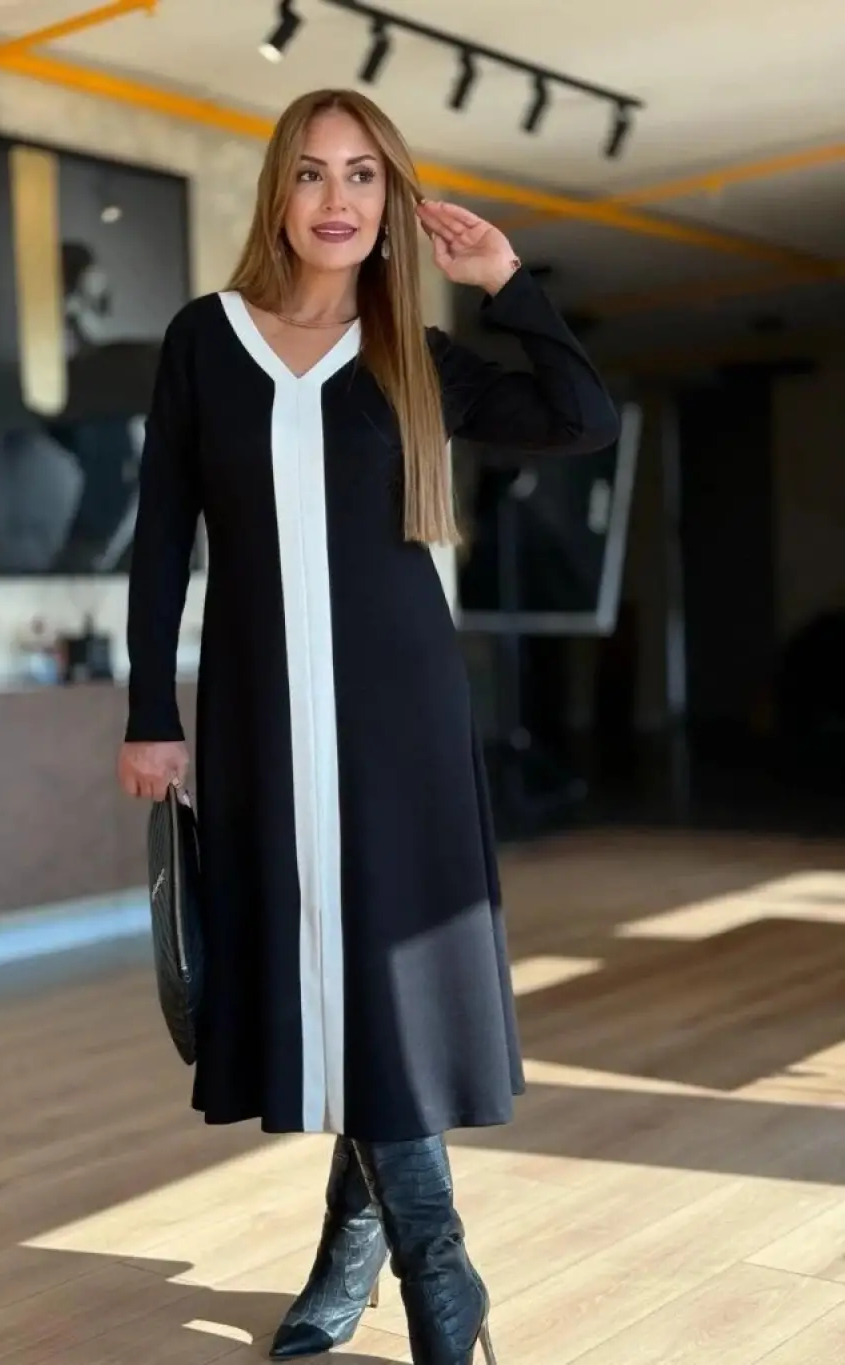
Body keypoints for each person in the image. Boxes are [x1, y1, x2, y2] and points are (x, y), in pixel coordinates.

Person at [117, 88, 619, 1365]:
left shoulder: (417, 358)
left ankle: (427, 1270)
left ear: (390, 198)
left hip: (400, 716)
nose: (335, 199)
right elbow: (163, 534)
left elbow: (582, 418)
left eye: (361, 175)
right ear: (277, 195)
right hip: (258, 714)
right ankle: (373, 1256)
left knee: (381, 980)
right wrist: (148, 711)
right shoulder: (205, 340)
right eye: (310, 173)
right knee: (322, 979)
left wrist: (506, 280)